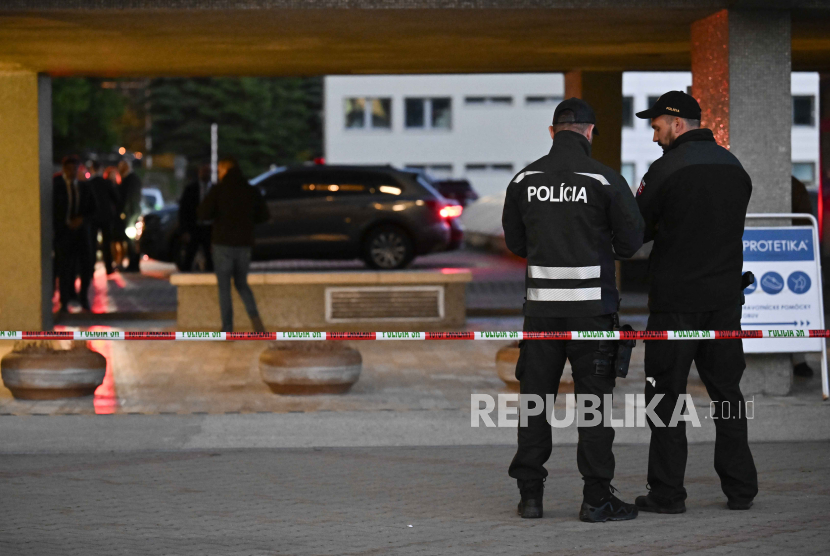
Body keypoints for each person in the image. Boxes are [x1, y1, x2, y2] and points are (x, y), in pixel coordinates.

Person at [502, 98, 644, 522]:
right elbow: (631, 242)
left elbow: (515, 243)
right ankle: (597, 498)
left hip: (542, 313)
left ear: (552, 131)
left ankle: (531, 496)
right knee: (594, 407)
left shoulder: (524, 179)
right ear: (589, 131)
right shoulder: (604, 179)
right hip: (592, 314)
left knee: (534, 403)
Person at [634, 91, 758, 513]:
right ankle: (741, 490)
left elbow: (637, 231)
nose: (654, 137)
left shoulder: (666, 168)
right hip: (725, 301)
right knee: (727, 393)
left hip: (675, 305)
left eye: (657, 127)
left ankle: (667, 494)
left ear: (677, 123)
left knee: (666, 395)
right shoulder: (734, 166)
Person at [197, 157, 268, 332]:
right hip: (244, 245)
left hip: (223, 244)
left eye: (220, 170)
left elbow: (203, 214)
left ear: (225, 169)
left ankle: (227, 329)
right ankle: (257, 323)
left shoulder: (218, 190)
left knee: (224, 287)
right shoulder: (250, 190)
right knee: (242, 283)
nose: (218, 174)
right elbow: (264, 215)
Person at [53, 155, 97, 312]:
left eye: (75, 168)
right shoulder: (56, 186)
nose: (72, 172)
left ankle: (83, 297)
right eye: (69, 169)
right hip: (64, 233)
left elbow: (93, 209)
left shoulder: (84, 187)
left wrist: (82, 220)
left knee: (86, 266)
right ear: (64, 169)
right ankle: (64, 302)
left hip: (81, 233)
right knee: (64, 267)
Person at [86, 159, 120, 275]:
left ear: (92, 169)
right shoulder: (107, 183)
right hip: (106, 217)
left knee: (92, 243)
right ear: (101, 169)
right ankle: (109, 268)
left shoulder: (89, 184)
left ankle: (90, 268)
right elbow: (116, 199)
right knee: (107, 243)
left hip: (92, 217)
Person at [178, 163, 214, 271]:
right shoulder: (190, 189)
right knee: (189, 256)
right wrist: (184, 230)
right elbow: (183, 210)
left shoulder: (215, 189)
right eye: (204, 172)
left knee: (210, 257)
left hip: (209, 227)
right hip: (194, 227)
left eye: (208, 172)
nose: (205, 174)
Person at [117, 158, 143, 272]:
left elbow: (129, 198)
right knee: (131, 241)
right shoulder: (133, 179)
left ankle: (134, 264)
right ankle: (133, 264)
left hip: (131, 215)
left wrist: (125, 214)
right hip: (132, 213)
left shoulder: (131, 179)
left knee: (131, 242)